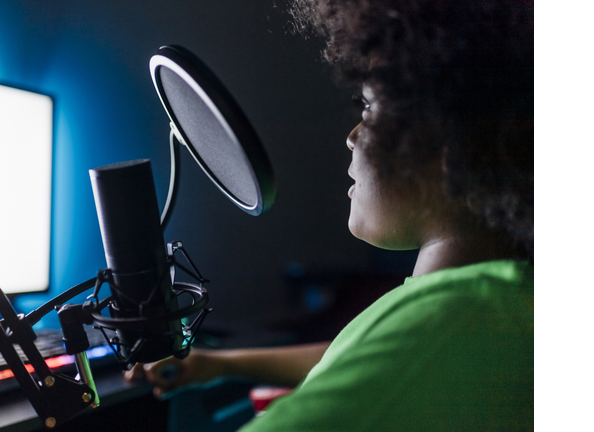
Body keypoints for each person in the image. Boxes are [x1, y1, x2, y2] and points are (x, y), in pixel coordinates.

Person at [126, 0, 533, 430]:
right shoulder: (493, 308)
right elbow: (366, 356)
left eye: (369, 107)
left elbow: (406, 355)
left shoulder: (449, 323)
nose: (352, 137)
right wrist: (221, 364)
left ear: (451, 141)